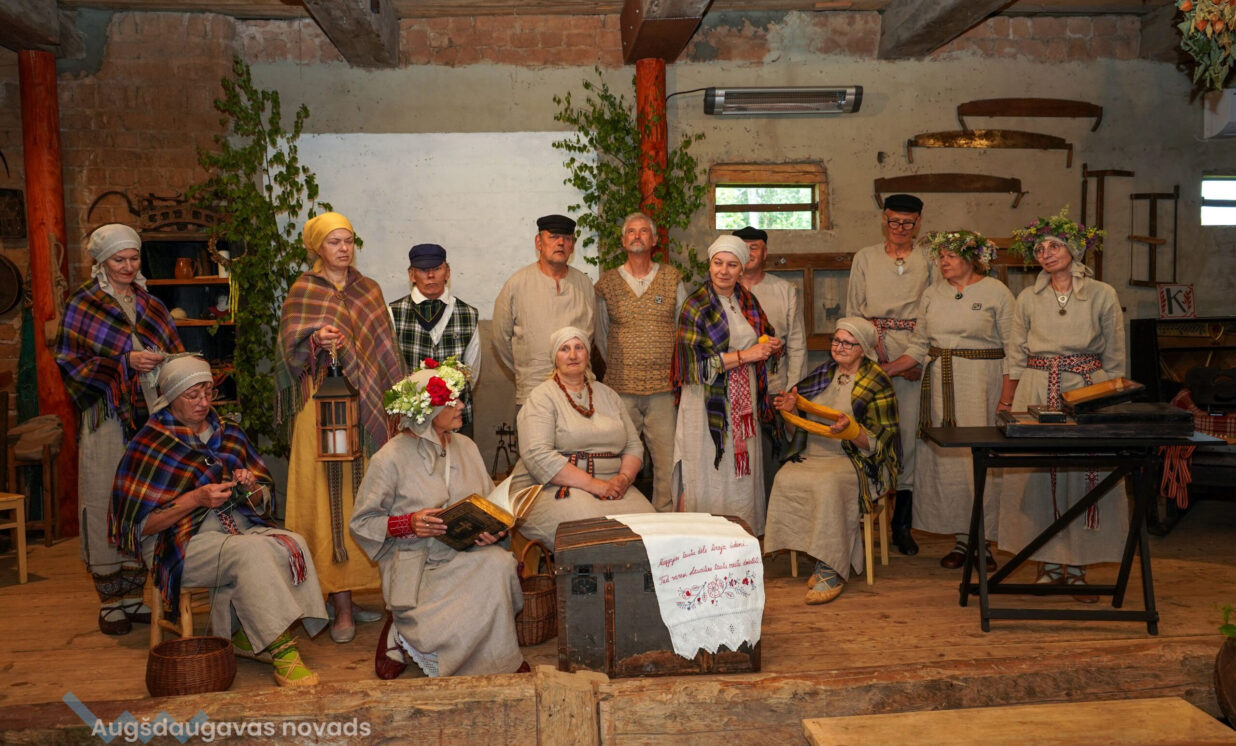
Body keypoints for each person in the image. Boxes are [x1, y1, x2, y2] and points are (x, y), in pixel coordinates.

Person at [111, 355, 327, 686]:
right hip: (179, 545)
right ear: (171, 396)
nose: (203, 402)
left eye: (208, 392)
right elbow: (140, 527)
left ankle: (242, 635)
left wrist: (251, 487)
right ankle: (282, 649)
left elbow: (263, 494)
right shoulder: (150, 442)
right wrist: (195, 499)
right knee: (250, 553)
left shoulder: (229, 432)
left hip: (237, 528)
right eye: (192, 395)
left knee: (291, 542)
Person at [351, 359, 526, 678]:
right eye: (450, 402)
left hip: (465, 555)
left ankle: (498, 661)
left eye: (459, 398)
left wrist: (494, 531)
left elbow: (491, 506)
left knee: (499, 564)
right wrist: (408, 523)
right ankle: (402, 633)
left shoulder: (467, 447)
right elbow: (361, 523)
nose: (461, 406)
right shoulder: (389, 458)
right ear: (427, 412)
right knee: (469, 588)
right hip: (418, 567)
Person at [277, 212, 403, 643]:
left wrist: (396, 403)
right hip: (321, 411)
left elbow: (384, 348)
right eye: (334, 242)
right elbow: (287, 353)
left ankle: (358, 593)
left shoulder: (369, 290)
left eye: (348, 240)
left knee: (363, 498)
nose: (344, 248)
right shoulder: (303, 290)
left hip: (366, 411)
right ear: (317, 247)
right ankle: (339, 603)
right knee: (326, 499)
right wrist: (315, 340)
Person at [55, 223, 184, 636]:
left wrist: (167, 362)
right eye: (119, 260)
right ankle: (110, 600)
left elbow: (175, 352)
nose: (128, 266)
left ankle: (134, 593)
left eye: (133, 258)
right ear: (101, 262)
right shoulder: (84, 303)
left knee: (144, 497)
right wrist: (124, 362)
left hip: (151, 415)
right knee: (104, 495)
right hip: (107, 413)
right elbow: (68, 360)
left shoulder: (152, 304)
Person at [999, 209, 1123, 602]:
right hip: (1037, 388)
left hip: (1087, 389)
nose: (1046, 254)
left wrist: (1109, 404)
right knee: (1038, 476)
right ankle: (1049, 565)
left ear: (1073, 249)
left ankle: (1080, 567)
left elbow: (1115, 355)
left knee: (1085, 474)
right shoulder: (1027, 297)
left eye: (1054, 246)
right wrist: (1008, 400)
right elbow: (1015, 353)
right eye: (1039, 249)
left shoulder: (1102, 293)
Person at [888, 231, 1022, 571]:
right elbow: (919, 345)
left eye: (951, 256)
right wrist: (884, 370)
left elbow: (1014, 349)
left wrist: (1007, 399)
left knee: (980, 461)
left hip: (982, 385)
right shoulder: (932, 293)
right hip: (940, 389)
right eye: (941, 256)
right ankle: (962, 539)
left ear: (972, 258)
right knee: (950, 465)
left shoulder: (996, 292)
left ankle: (983, 542)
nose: (943, 262)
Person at [765, 318, 900, 604]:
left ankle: (831, 568)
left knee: (827, 485)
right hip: (813, 454)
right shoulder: (821, 374)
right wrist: (791, 412)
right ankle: (818, 554)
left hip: (855, 459)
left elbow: (881, 440)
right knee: (784, 478)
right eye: (836, 341)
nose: (839, 347)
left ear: (863, 349)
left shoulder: (877, 381)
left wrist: (851, 431)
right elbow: (795, 432)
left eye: (848, 343)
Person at [672, 235, 782, 535]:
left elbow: (763, 334)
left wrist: (770, 344)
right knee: (706, 472)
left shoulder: (747, 301)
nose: (723, 270)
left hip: (744, 401)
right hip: (706, 403)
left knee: (740, 476)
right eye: (718, 263)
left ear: (742, 268)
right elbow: (693, 368)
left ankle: (739, 539)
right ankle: (700, 540)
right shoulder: (695, 305)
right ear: (709, 265)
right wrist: (745, 355)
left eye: (732, 265)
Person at [508, 326, 655, 549]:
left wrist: (624, 479)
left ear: (588, 354)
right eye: (564, 349)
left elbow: (633, 446)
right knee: (593, 533)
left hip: (614, 486)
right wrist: (594, 485)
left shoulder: (608, 395)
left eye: (579, 347)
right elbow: (538, 455)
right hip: (554, 487)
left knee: (652, 529)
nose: (573, 355)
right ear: (554, 358)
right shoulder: (542, 397)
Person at [846, 193, 932, 555]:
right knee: (872, 434)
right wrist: (870, 356)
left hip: (916, 350)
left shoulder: (929, 259)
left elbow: (935, 309)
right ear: (884, 219)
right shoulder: (865, 257)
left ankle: (902, 525)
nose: (900, 228)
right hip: (873, 349)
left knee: (909, 439)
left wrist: (917, 359)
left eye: (908, 222)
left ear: (918, 223)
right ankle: (865, 516)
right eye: (894, 220)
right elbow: (854, 311)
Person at [594, 212, 687, 512]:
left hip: (663, 390)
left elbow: (682, 331)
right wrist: (624, 363)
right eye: (631, 231)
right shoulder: (607, 283)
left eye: (644, 231)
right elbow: (601, 335)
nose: (637, 235)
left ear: (655, 240)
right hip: (621, 391)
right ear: (623, 241)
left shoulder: (672, 279)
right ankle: (624, 518)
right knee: (618, 460)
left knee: (666, 461)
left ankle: (665, 519)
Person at [492, 214, 596, 411]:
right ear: (538, 242)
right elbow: (499, 339)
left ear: (572, 246)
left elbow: (590, 335)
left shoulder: (584, 285)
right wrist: (525, 369)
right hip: (533, 389)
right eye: (554, 237)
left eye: (567, 238)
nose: (561, 243)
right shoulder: (517, 284)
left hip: (577, 390)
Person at [735, 225, 807, 497]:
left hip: (775, 386)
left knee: (773, 459)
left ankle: (774, 514)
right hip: (735, 386)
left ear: (765, 253)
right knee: (740, 459)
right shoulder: (724, 289)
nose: (749, 253)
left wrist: (793, 388)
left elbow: (797, 343)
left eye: (754, 247)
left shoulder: (784, 289)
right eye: (743, 248)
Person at [389, 243, 481, 438]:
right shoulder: (394, 313)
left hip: (457, 418)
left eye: (437, 268)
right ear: (412, 275)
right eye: (423, 270)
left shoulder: (468, 314)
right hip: (412, 420)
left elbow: (472, 371)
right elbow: (391, 370)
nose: (430, 275)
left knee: (460, 458)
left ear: (447, 272)